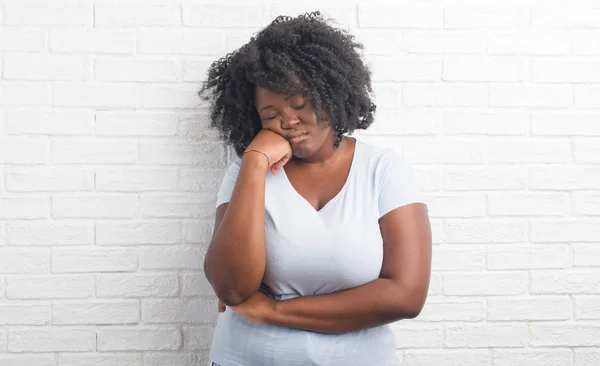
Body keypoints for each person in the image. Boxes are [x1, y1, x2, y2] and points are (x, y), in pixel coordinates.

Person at [199, 11, 432, 366]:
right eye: (270, 113)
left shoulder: (383, 170)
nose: (288, 121)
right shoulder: (245, 172)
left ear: (331, 94)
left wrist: (270, 312)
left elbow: (405, 296)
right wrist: (255, 161)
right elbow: (231, 287)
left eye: (299, 104)